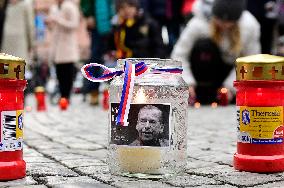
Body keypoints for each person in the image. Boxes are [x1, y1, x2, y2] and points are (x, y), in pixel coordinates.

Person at [171, 0, 261, 104]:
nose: (224, 25)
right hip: (204, 71)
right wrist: (186, 83)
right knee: (204, 46)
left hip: (230, 69)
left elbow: (250, 62)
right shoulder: (199, 23)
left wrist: (230, 87)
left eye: (229, 22)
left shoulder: (250, 26)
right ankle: (200, 93)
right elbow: (179, 54)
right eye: (220, 20)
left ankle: (225, 96)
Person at [46, 0, 80, 107]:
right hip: (57, 46)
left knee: (68, 73)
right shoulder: (54, 8)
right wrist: (49, 24)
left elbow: (74, 24)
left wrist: (58, 20)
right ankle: (62, 96)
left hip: (67, 46)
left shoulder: (70, 7)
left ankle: (67, 96)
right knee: (59, 73)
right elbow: (53, 28)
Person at [80, 0, 114, 105]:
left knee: (114, 57)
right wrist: (88, 15)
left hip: (111, 23)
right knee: (96, 58)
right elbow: (85, 3)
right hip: (97, 24)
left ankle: (117, 92)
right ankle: (93, 91)